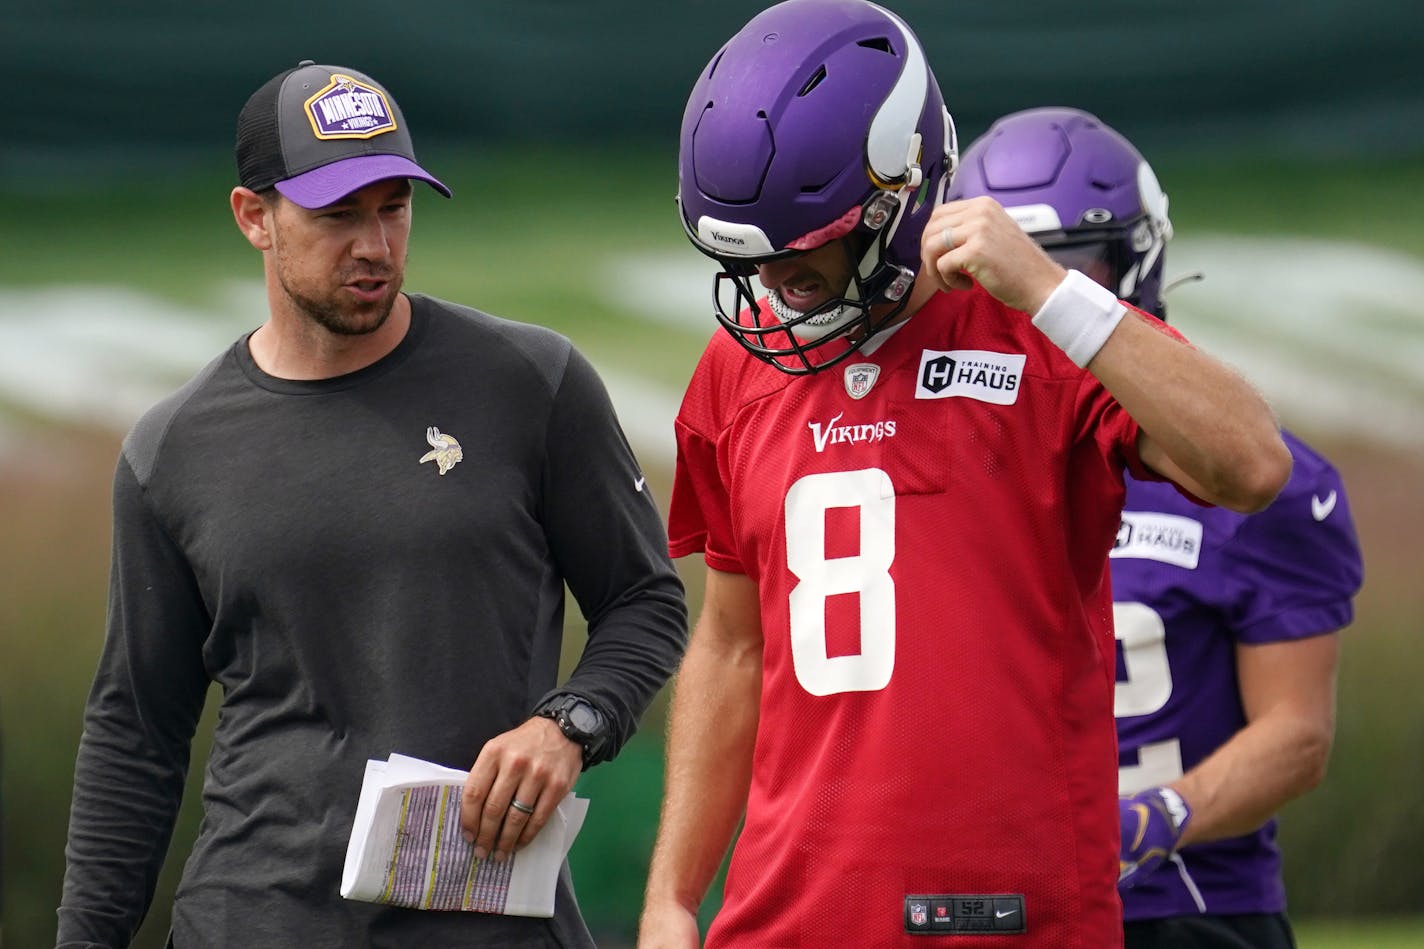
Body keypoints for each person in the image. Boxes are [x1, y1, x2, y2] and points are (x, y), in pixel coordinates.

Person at [637, 2, 1293, 947]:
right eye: (756, 252)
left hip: (1008, 917)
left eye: (804, 245)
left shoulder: (1038, 324)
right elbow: (733, 646)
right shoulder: (735, 370)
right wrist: (671, 895)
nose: (778, 281)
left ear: (905, 189)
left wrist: (1051, 289)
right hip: (781, 921)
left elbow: (1252, 465)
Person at [56, 60, 688, 948]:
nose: (375, 245)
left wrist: (571, 725)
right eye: (337, 214)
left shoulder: (530, 382)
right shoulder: (171, 450)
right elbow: (135, 736)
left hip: (488, 925)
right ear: (254, 218)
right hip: (253, 918)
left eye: (394, 207)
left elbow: (647, 599)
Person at [950, 106, 1364, 948]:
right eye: (1008, 279)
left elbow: (1297, 734)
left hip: (1186, 905)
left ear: (1137, 263)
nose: (1036, 307)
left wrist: (1148, 819)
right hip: (991, 907)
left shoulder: (1249, 474)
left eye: (1071, 274)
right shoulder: (938, 460)